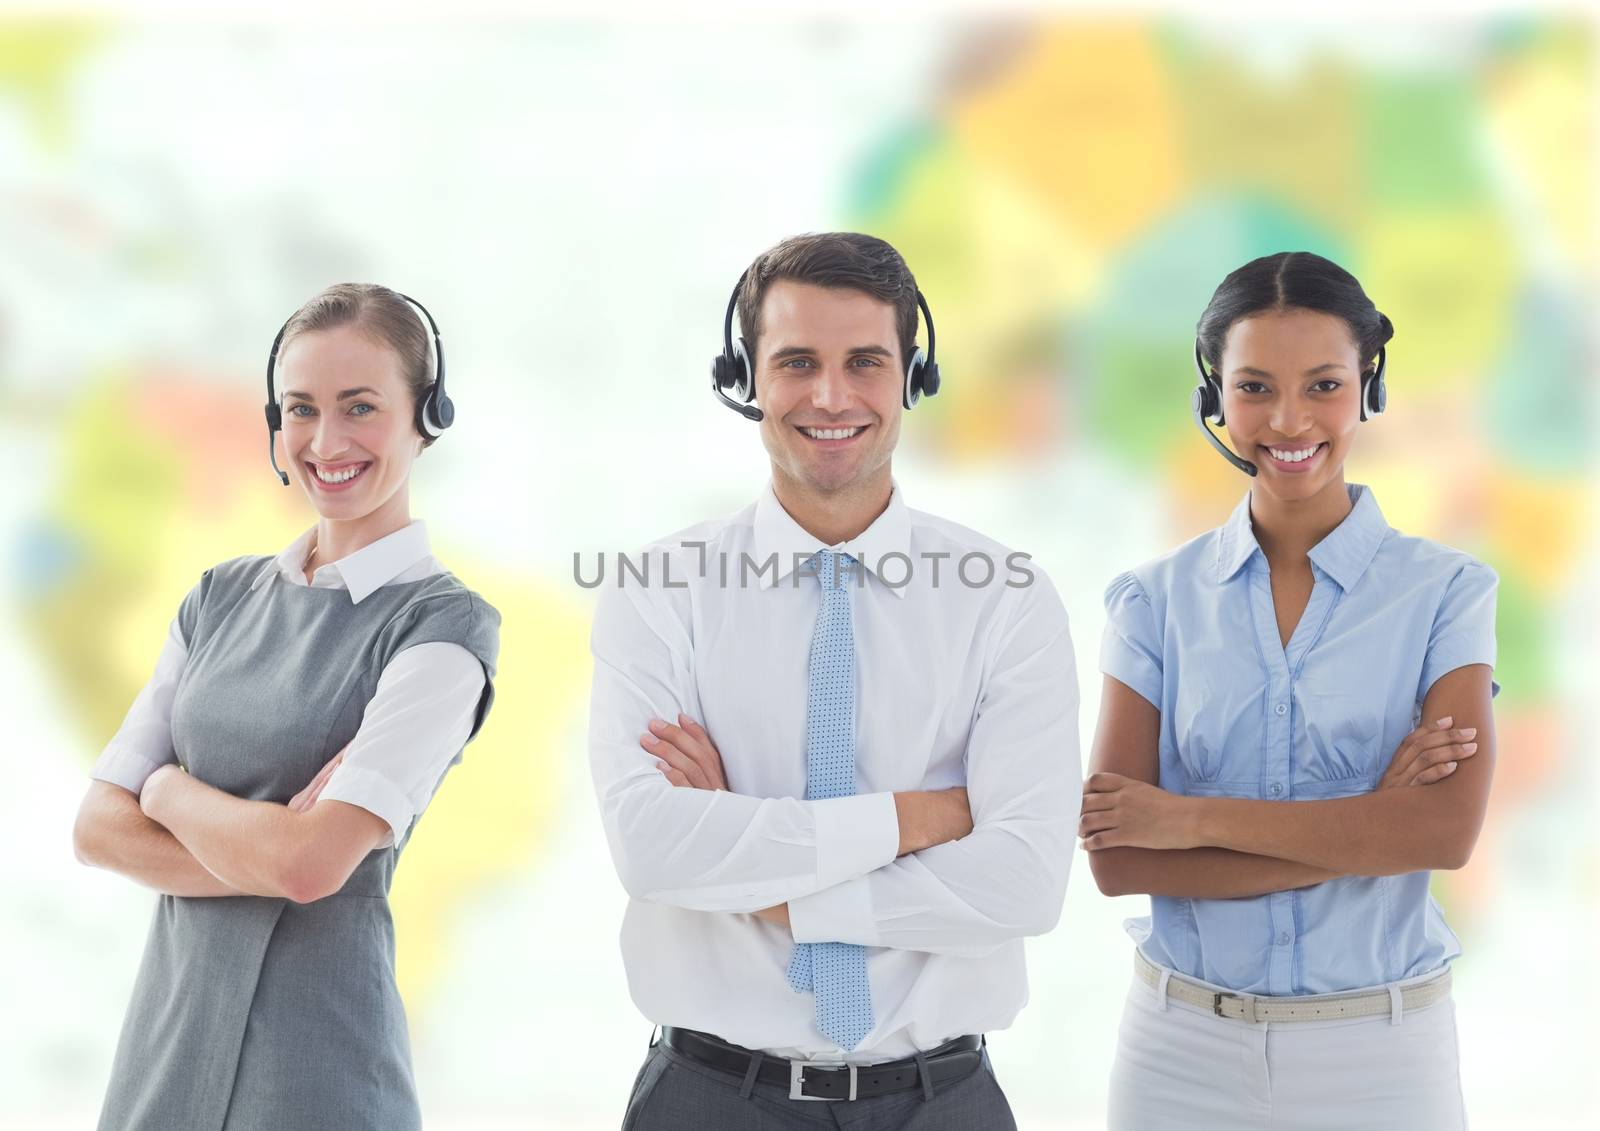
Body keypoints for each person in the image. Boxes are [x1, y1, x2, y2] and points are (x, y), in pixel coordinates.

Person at [588, 232, 1080, 1128]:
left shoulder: (1006, 598)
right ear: (746, 378)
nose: (831, 396)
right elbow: (653, 847)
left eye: (864, 362)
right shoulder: (660, 588)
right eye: (797, 362)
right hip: (710, 1099)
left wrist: (756, 873)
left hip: (942, 1102)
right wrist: (919, 818)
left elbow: (1023, 883)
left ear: (911, 377)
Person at [1081, 251, 1497, 1130]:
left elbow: (1441, 831)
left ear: (1367, 389)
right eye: (1255, 386)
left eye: (1323, 384)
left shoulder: (1447, 593)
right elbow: (1120, 856)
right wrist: (1367, 823)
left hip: (1383, 1057)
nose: (1289, 418)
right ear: (1214, 398)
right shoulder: (1153, 602)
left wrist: (1188, 818)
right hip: (1179, 1052)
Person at [72, 283, 500, 1131]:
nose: (326, 440)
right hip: (163, 1049)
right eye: (301, 409)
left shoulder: (443, 629)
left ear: (427, 416)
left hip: (318, 1072)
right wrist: (271, 850)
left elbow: (312, 866)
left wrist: (164, 792)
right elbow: (94, 830)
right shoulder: (219, 598)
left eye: (361, 407)